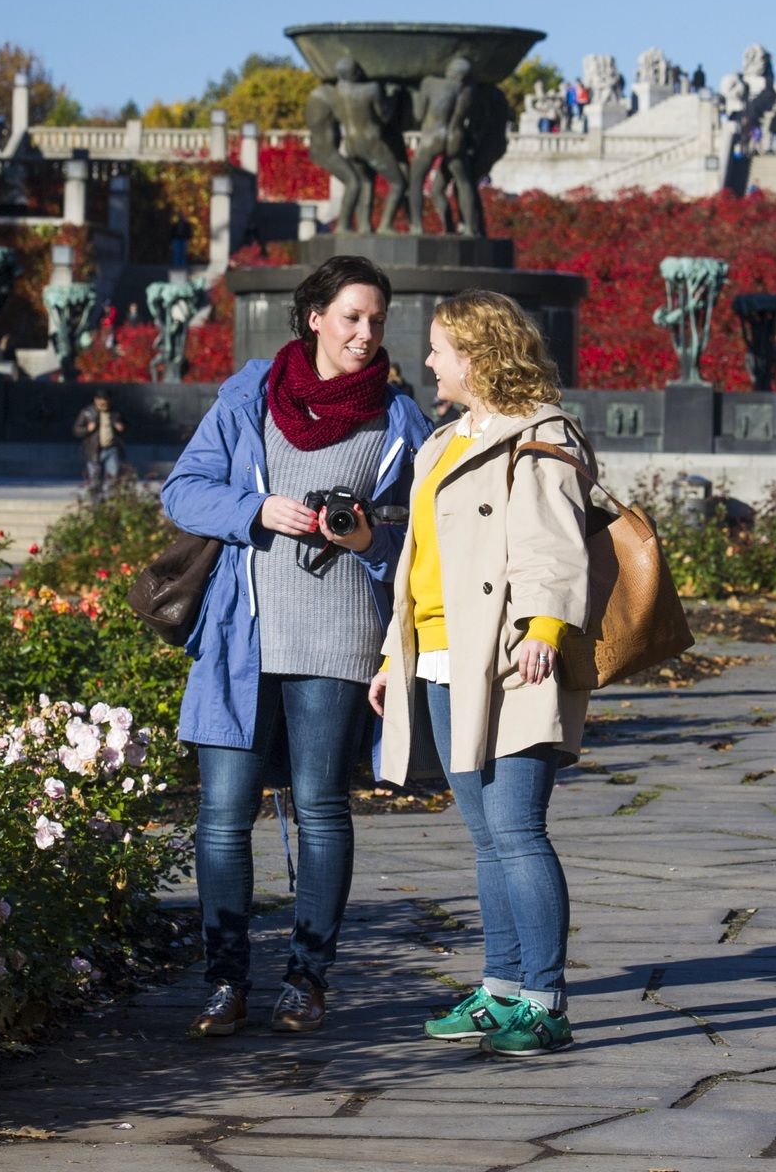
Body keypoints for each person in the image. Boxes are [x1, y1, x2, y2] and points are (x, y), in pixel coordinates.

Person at [161, 254, 432, 1039]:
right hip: (241, 638)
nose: (365, 332)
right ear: (314, 317)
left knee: (320, 809)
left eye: (376, 320)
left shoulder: (399, 418)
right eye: (351, 317)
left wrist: (371, 536)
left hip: (340, 638)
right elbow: (183, 489)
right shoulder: (250, 396)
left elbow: (421, 538)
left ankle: (307, 981)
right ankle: (225, 983)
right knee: (222, 815)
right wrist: (257, 510)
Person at [373, 289, 592, 1055]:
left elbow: (554, 544)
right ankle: (501, 990)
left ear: (477, 353)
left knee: (518, 831)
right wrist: (389, 657)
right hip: (439, 655)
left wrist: (543, 627)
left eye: (439, 347)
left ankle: (546, 1000)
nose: (428, 360)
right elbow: (418, 562)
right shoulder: (442, 443)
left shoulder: (541, 436)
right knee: (487, 840)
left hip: (513, 655)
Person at [73, 393, 125, 495]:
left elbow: (127, 427)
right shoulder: (88, 412)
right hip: (94, 451)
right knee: (95, 481)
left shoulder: (115, 413)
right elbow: (77, 430)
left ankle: (110, 505)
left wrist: (121, 427)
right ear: (95, 400)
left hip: (111, 449)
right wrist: (87, 429)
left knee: (112, 479)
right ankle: (96, 505)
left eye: (105, 400)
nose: (102, 403)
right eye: (100, 400)